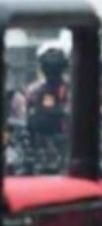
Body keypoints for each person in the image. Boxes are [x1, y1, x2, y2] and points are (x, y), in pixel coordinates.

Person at [22, 43, 71, 174]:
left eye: (56, 67)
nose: (53, 71)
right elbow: (24, 116)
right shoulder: (33, 90)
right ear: (43, 68)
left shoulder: (73, 88)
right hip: (39, 141)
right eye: (49, 67)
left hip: (67, 138)